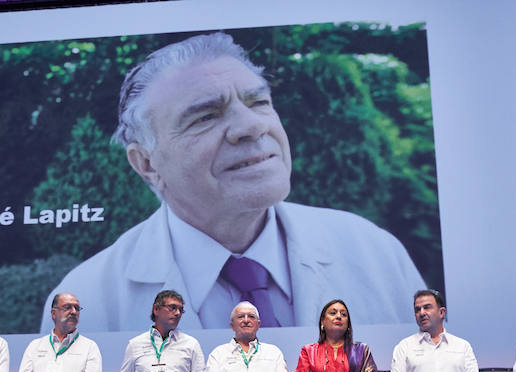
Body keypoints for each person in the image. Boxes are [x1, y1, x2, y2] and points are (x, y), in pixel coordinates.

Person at [41, 32, 425, 332]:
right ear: (146, 164)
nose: (252, 126)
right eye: (205, 116)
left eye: (258, 102)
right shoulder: (89, 298)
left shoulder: (374, 250)